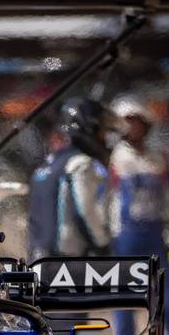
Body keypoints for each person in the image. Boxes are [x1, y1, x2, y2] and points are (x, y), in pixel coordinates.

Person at [106, 95, 169, 335]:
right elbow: (101, 200)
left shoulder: (159, 158)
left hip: (155, 236)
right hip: (123, 238)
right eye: (126, 122)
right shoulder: (112, 158)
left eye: (137, 122)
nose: (132, 128)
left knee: (168, 298)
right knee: (123, 298)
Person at [28, 97, 115, 260]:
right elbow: (85, 211)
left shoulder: (47, 165)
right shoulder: (81, 163)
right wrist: (102, 243)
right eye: (103, 130)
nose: (105, 137)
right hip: (64, 259)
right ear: (90, 128)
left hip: (38, 254)